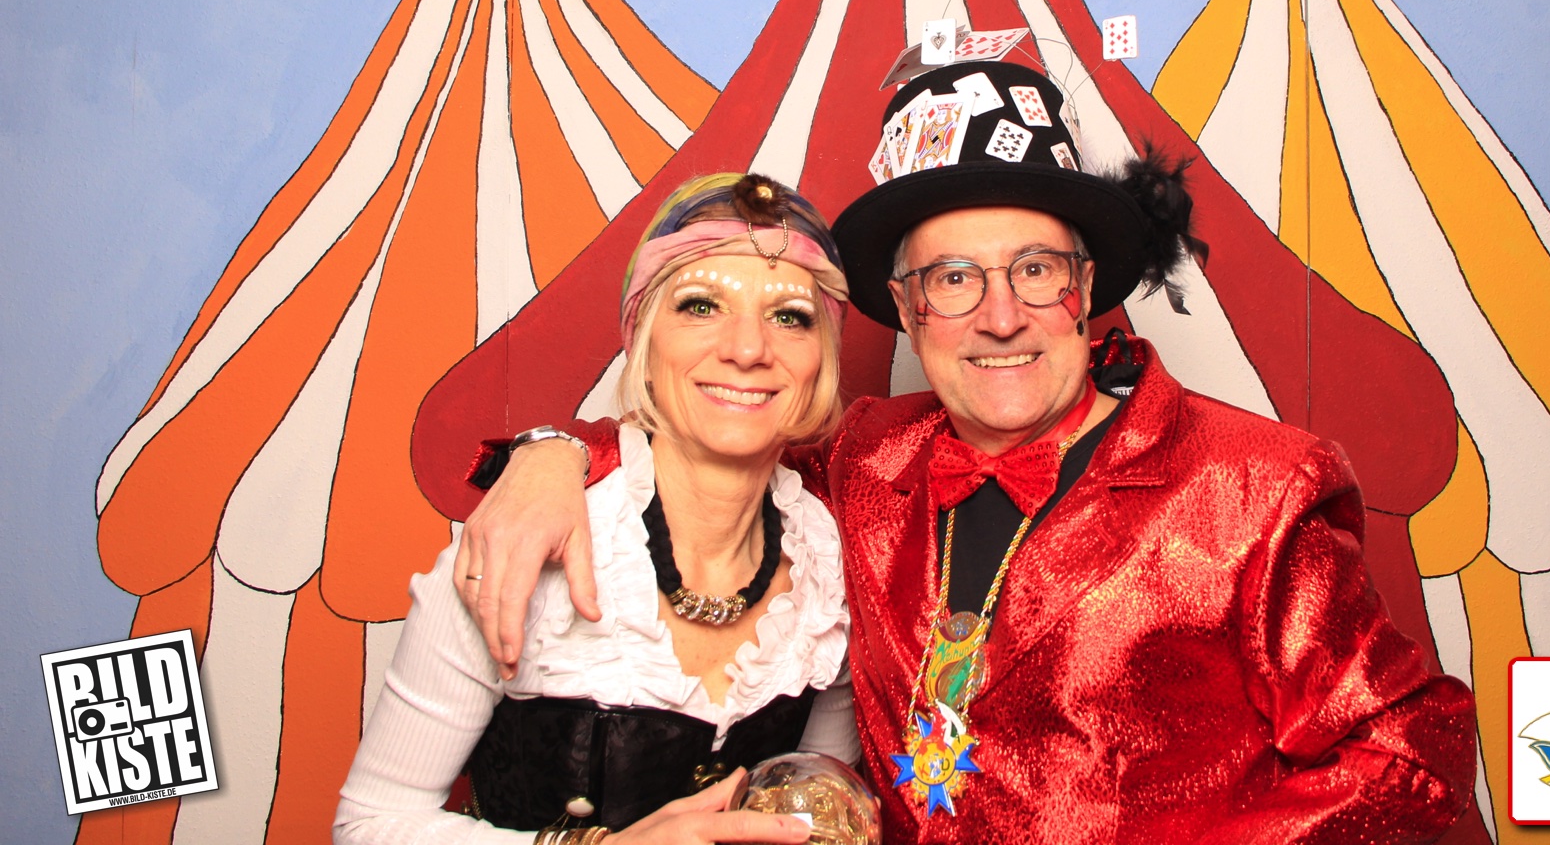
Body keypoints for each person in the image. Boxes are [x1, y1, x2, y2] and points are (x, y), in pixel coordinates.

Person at [426, 61, 1479, 843]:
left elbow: (1411, 757)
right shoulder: (860, 461)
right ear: (906, 308)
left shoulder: (1256, 485)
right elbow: (716, 427)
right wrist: (552, 457)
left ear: (1086, 289)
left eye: (1035, 270)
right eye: (953, 279)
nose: (1000, 316)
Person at [336, 174, 858, 844]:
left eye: (790, 317)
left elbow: (819, 804)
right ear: (644, 341)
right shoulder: (523, 539)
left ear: (823, 358)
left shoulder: (831, 569)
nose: (748, 349)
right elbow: (369, 824)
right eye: (701, 306)